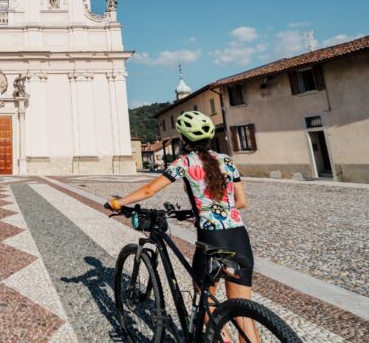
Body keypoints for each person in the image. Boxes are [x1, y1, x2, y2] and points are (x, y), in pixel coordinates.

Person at [107, 111, 257, 338]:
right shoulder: (227, 160)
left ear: (184, 140)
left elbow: (149, 190)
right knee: (243, 314)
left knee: (207, 303)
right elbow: (241, 202)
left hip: (212, 238)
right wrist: (207, 212)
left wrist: (119, 202)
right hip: (239, 236)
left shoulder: (185, 162)